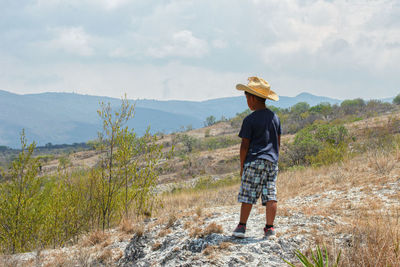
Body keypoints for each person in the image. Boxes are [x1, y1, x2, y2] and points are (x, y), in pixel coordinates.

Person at [232, 76, 281, 238]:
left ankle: (241, 227)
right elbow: (277, 141)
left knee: (248, 193)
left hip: (254, 160)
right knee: (270, 193)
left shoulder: (249, 120)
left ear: (252, 98)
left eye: (246, 98)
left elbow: (244, 145)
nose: (247, 101)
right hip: (271, 161)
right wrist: (274, 158)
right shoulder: (275, 118)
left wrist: (242, 166)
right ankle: (270, 228)